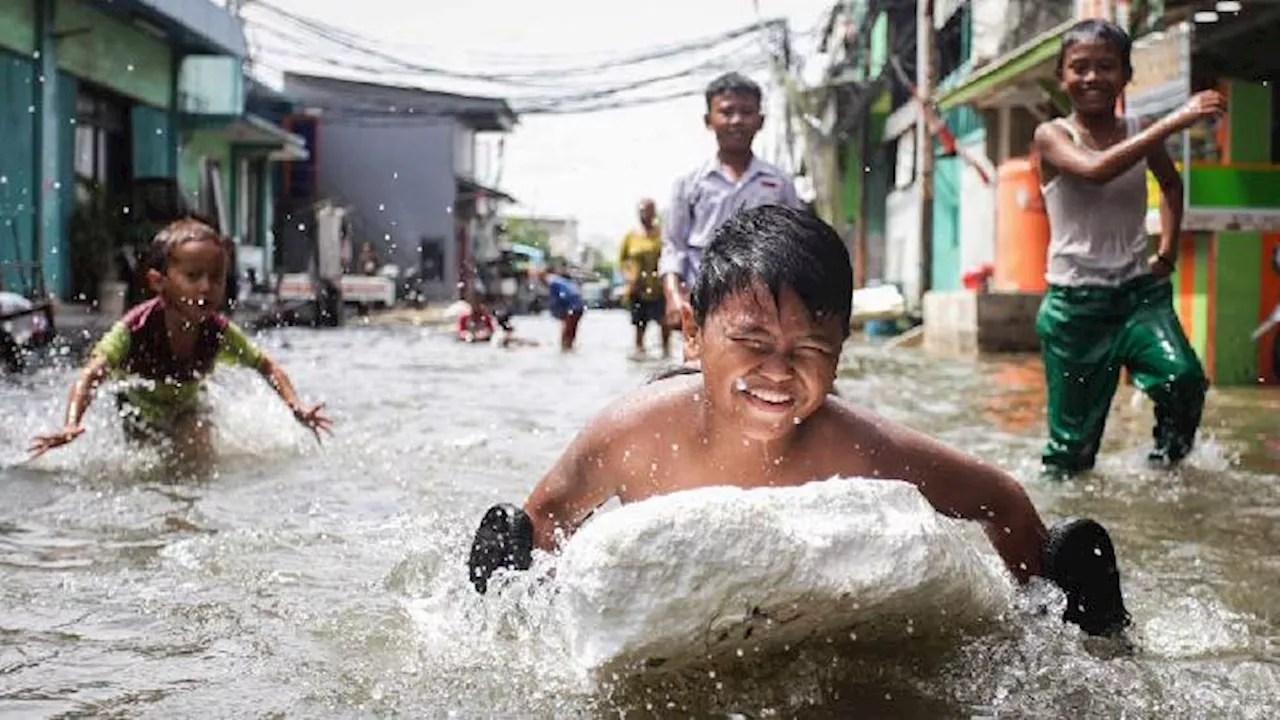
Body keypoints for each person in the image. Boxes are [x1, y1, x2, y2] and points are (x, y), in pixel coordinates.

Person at [467, 205, 1131, 639]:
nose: (779, 372)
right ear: (693, 334)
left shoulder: (858, 448)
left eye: (810, 350)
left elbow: (1001, 501)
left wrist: (1038, 626)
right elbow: (543, 520)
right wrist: (546, 614)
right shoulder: (635, 436)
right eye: (753, 344)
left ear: (841, 352)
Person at [1032, 19, 1225, 474]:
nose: (1093, 77)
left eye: (1106, 66)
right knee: (1071, 453)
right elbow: (1096, 169)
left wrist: (1169, 253)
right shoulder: (1052, 136)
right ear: (1063, 76)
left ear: (1126, 75)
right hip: (1074, 308)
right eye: (1080, 67)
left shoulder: (1141, 128)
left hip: (1139, 294)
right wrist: (1177, 120)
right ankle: (1056, 528)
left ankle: (1164, 470)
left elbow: (1172, 186)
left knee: (1184, 380)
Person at [28, 218, 333, 462]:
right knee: (145, 470)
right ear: (158, 282)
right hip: (137, 413)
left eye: (216, 278)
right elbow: (91, 373)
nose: (206, 287)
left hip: (187, 408)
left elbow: (267, 365)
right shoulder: (135, 329)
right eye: (193, 276)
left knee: (198, 441)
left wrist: (296, 406)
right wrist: (71, 422)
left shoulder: (218, 331)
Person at [659, 72, 803, 333]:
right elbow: (673, 248)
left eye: (746, 112)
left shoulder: (780, 184)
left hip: (763, 308)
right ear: (708, 120)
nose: (737, 120)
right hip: (703, 303)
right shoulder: (690, 184)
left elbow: (794, 249)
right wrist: (672, 297)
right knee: (701, 372)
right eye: (726, 112)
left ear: (760, 121)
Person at [619, 198, 672, 357]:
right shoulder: (631, 236)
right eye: (641, 210)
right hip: (637, 289)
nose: (644, 214)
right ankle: (639, 356)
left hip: (659, 287)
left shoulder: (662, 234)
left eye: (648, 210)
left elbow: (671, 255)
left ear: (654, 212)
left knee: (664, 325)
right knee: (639, 327)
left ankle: (666, 357)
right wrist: (628, 277)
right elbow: (622, 261)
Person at [542, 263, 585, 352]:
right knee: (571, 330)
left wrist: (557, 313)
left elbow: (556, 300)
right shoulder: (561, 280)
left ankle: (565, 349)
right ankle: (569, 348)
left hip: (572, 306)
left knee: (566, 331)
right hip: (578, 305)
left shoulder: (552, 281)